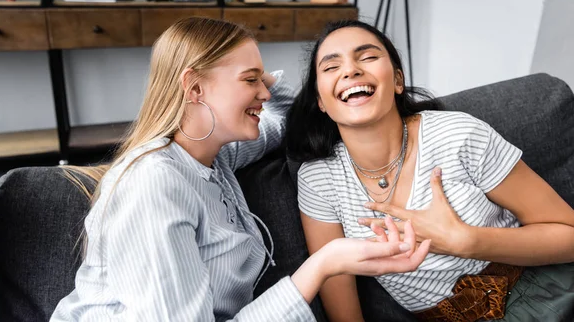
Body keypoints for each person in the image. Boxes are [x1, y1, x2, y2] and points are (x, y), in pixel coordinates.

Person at [50, 17, 430, 321]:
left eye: (261, 80)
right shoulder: (155, 182)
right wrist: (322, 266)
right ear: (194, 88)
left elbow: (281, 120)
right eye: (251, 80)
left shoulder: (215, 157)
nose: (264, 92)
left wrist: (275, 82)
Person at [285, 19, 574, 322]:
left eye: (368, 57)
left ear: (398, 81)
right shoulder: (319, 180)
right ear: (320, 101)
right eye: (331, 67)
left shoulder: (459, 135)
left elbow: (568, 235)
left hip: (545, 292)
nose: (351, 70)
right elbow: (339, 295)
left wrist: (465, 241)